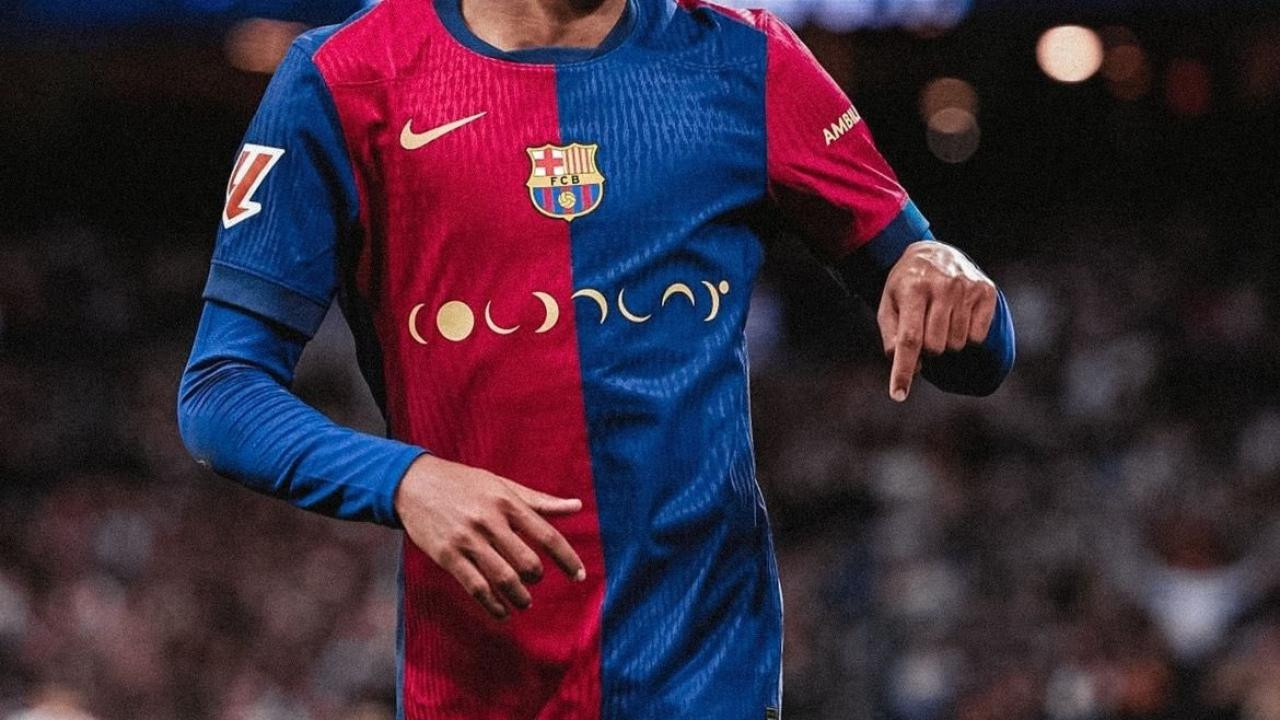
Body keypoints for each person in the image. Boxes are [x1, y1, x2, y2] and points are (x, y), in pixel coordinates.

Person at [177, 0, 1015, 717]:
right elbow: (220, 390)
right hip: (477, 688)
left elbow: (978, 355)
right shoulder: (344, 77)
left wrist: (941, 269)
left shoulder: (748, 57)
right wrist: (406, 481)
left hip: (709, 679)